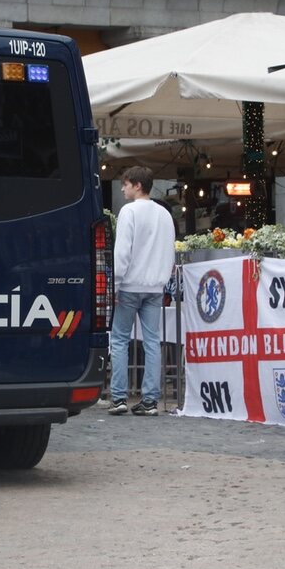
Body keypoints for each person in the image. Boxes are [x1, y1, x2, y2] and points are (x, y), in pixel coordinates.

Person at [108, 166, 177, 417]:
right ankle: (150, 399)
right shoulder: (164, 214)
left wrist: (115, 282)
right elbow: (170, 250)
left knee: (119, 339)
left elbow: (122, 251)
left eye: (125, 184)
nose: (123, 188)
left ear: (137, 185)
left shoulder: (129, 211)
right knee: (152, 341)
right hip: (155, 285)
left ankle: (118, 397)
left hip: (129, 284)